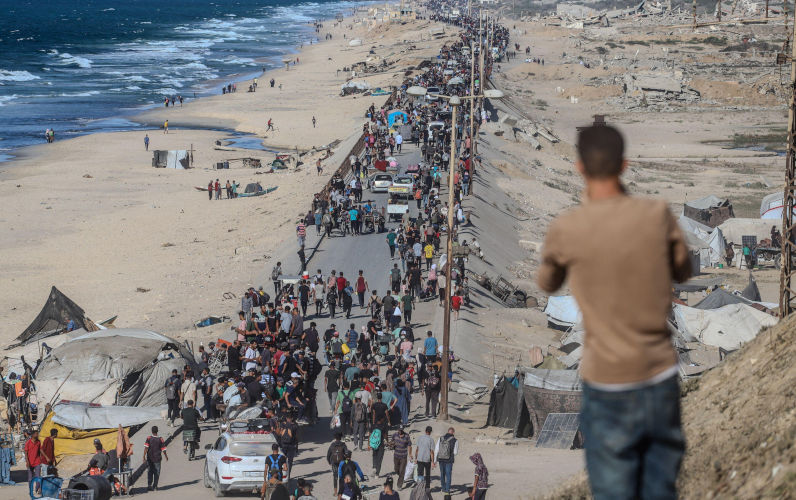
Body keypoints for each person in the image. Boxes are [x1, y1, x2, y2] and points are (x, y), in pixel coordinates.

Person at [537, 125, 691, 500]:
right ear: (625, 164)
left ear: (579, 167)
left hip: (606, 381)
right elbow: (684, 270)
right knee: (660, 488)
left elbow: (546, 282)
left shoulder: (568, 227)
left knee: (612, 491)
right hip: (658, 374)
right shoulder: (656, 214)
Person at [435, 427, 459, 494]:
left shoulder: (440, 438)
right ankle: (447, 490)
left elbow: (436, 449)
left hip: (441, 459)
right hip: (449, 460)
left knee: (442, 474)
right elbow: (455, 452)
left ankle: (443, 488)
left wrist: (434, 460)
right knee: (448, 475)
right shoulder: (455, 440)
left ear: (448, 431)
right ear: (453, 432)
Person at [143, 426, 167, 492]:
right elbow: (163, 449)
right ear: (157, 431)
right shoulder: (160, 439)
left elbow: (146, 448)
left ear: (151, 431)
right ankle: (155, 486)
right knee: (157, 472)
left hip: (150, 459)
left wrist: (143, 456)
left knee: (150, 472)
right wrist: (166, 456)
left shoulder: (149, 438)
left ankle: (149, 485)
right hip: (157, 459)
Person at [326, 432, 349, 496]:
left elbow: (328, 454)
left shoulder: (332, 445)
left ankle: (335, 492)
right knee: (342, 476)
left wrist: (329, 461)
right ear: (340, 438)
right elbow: (347, 453)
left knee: (335, 477)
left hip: (334, 462)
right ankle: (341, 491)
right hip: (342, 462)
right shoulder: (343, 444)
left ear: (335, 438)